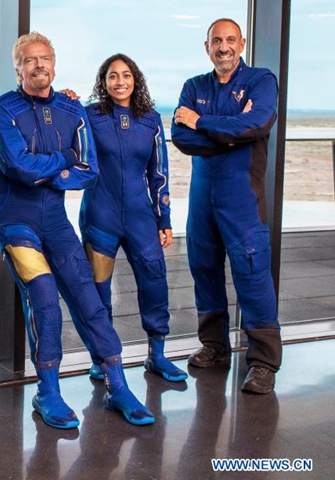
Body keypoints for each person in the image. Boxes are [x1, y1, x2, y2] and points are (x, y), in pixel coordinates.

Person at [0, 32, 154, 428]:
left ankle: (118, 386)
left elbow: (89, 168)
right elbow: (18, 166)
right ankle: (47, 391)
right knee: (44, 299)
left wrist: (47, 170)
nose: (39, 65)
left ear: (54, 63)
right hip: (15, 223)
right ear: (18, 68)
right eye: (30, 60)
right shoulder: (2, 110)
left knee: (89, 299)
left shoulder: (72, 109)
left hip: (56, 223)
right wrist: (63, 160)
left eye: (45, 57)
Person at [172, 18, 281, 394]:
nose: (223, 46)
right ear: (207, 47)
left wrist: (202, 121)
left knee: (252, 273)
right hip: (203, 199)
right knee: (204, 268)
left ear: (243, 43)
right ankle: (215, 347)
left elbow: (257, 123)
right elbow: (181, 137)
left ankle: (264, 363)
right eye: (216, 40)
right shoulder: (194, 85)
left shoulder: (261, 80)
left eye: (230, 40)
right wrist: (232, 132)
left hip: (242, 200)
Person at [75, 54, 187, 383]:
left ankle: (157, 355)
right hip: (100, 216)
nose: (120, 81)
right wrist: (65, 98)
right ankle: (102, 358)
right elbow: (69, 134)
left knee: (154, 283)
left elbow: (160, 173)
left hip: (141, 218)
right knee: (98, 292)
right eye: (112, 76)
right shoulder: (90, 114)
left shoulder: (150, 119)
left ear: (135, 80)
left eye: (126, 75)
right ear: (103, 82)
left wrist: (163, 218)